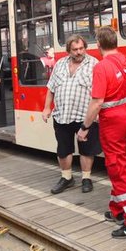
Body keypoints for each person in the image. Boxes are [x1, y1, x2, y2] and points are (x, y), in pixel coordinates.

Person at [77, 27, 126, 238]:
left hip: (113, 124)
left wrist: (84, 127)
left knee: (118, 169)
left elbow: (97, 102)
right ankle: (117, 210)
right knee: (124, 164)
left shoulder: (101, 67)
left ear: (98, 45)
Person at [42, 34, 100, 194]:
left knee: (87, 149)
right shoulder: (60, 64)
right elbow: (51, 88)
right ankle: (66, 177)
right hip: (62, 115)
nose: (79, 52)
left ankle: (86, 178)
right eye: (75, 49)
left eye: (81, 48)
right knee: (63, 149)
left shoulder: (94, 64)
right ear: (69, 50)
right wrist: (47, 108)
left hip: (85, 116)